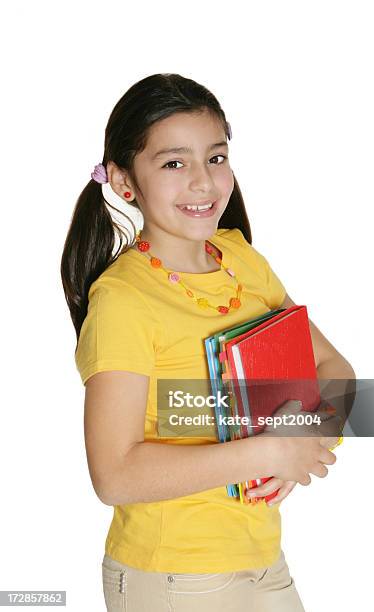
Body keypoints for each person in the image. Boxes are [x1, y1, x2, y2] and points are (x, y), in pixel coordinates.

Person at [61, 73, 345, 612]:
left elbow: (335, 367)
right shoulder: (124, 300)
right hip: (172, 578)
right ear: (124, 183)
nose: (203, 182)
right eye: (174, 163)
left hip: (263, 561)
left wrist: (306, 434)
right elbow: (114, 474)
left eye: (216, 158)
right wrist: (267, 451)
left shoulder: (240, 259)